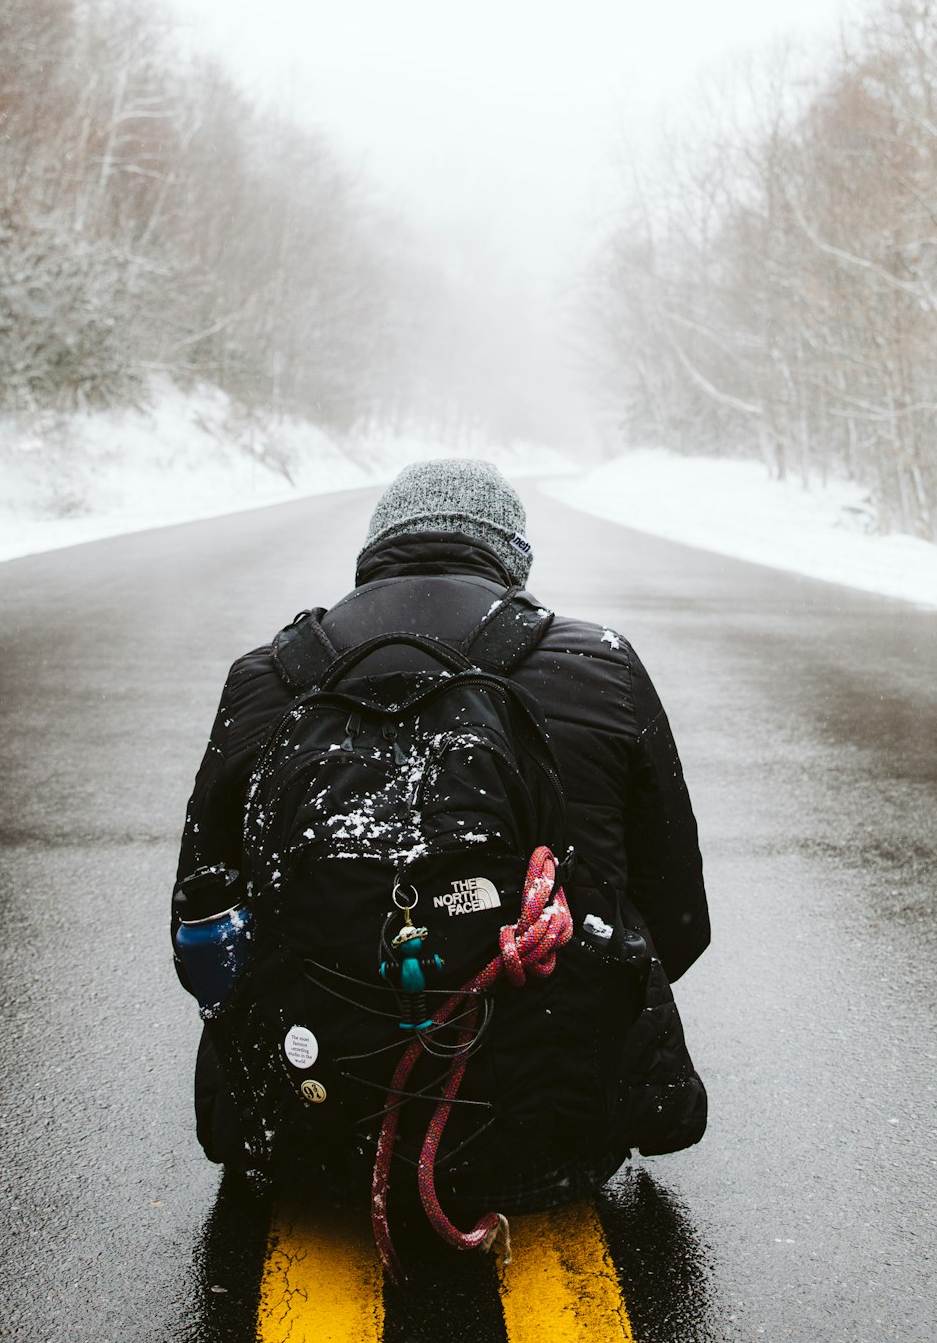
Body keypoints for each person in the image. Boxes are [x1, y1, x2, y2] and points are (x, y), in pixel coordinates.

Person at [173, 458, 709, 1205]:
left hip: (303, 1123)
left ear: (373, 557)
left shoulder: (265, 678)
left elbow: (199, 919)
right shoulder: (601, 665)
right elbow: (680, 918)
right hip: (548, 1136)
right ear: (512, 560)